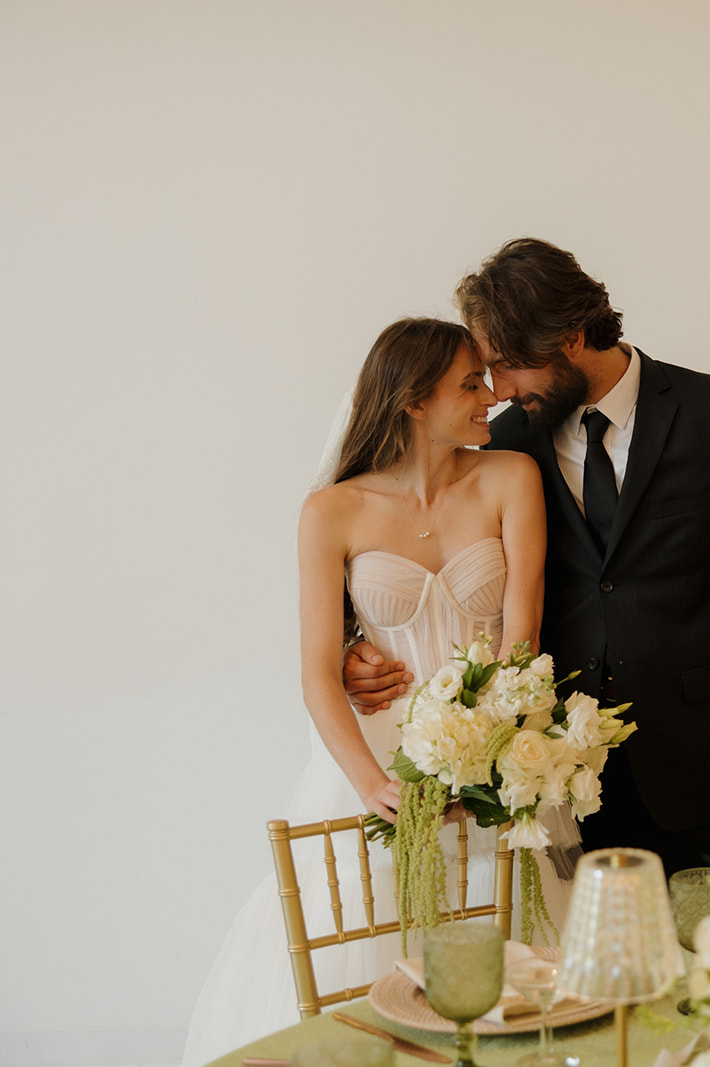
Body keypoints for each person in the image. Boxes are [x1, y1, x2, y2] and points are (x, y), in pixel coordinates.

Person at [345, 239, 710, 874]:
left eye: (506, 366)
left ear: (572, 338)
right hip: (548, 774)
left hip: (688, 763)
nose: (494, 391)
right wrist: (357, 646)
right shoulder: (506, 444)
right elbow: (425, 556)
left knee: (696, 960)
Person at [182, 318, 572, 1067]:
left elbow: (522, 636)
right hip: (377, 769)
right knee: (369, 972)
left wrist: (491, 756)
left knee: (511, 987)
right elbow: (317, 673)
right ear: (413, 401)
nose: (490, 395)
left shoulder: (509, 479)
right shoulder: (330, 511)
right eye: (469, 383)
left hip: (496, 759)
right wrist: (373, 785)